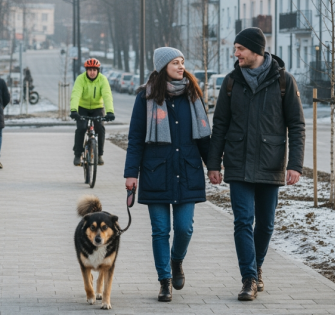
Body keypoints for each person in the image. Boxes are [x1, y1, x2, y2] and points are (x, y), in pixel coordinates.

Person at [206, 27, 305, 301]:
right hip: (238, 163)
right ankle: (249, 278)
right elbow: (220, 125)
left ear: (256, 51)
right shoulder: (231, 82)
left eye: (240, 49)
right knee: (242, 221)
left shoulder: (284, 81)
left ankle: (256, 266)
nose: (235, 54)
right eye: (235, 49)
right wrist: (213, 164)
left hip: (270, 162)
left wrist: (295, 164)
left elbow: (297, 125)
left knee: (266, 225)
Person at [123, 47, 211, 303]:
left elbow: (204, 137)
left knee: (184, 228)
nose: (181, 66)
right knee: (160, 230)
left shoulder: (193, 94)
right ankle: (164, 281)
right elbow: (135, 138)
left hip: (187, 170)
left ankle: (176, 260)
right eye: (175, 62)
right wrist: (131, 173)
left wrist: (213, 166)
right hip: (156, 172)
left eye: (182, 62)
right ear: (163, 67)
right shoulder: (146, 97)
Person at [70, 58, 115, 165]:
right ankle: (77, 154)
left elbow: (107, 95)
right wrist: (74, 110)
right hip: (83, 107)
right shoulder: (80, 79)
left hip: (97, 107)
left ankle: (99, 155)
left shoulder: (102, 79)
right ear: (86, 70)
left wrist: (110, 112)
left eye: (94, 70)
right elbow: (76, 94)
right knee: (81, 128)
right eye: (90, 70)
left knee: (100, 128)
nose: (92, 72)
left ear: (98, 70)